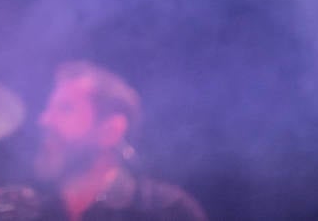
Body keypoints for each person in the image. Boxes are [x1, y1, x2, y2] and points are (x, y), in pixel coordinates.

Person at [33, 62, 207, 221]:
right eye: (49, 109)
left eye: (65, 109)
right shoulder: (34, 213)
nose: (45, 120)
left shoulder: (167, 211)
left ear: (111, 130)